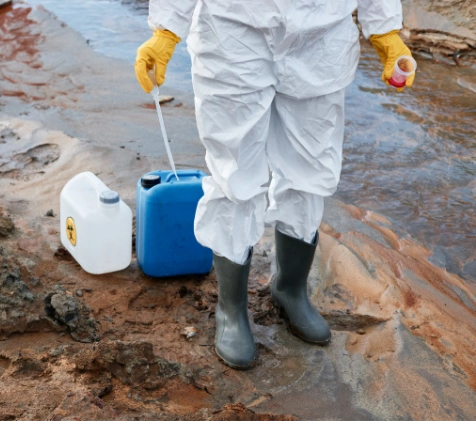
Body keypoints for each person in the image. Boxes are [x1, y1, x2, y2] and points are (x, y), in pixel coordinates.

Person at [135, 1, 415, 370]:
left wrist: (385, 31)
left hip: (321, 34)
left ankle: (290, 288)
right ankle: (231, 308)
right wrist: (166, 29)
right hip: (233, 32)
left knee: (311, 166)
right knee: (235, 173)